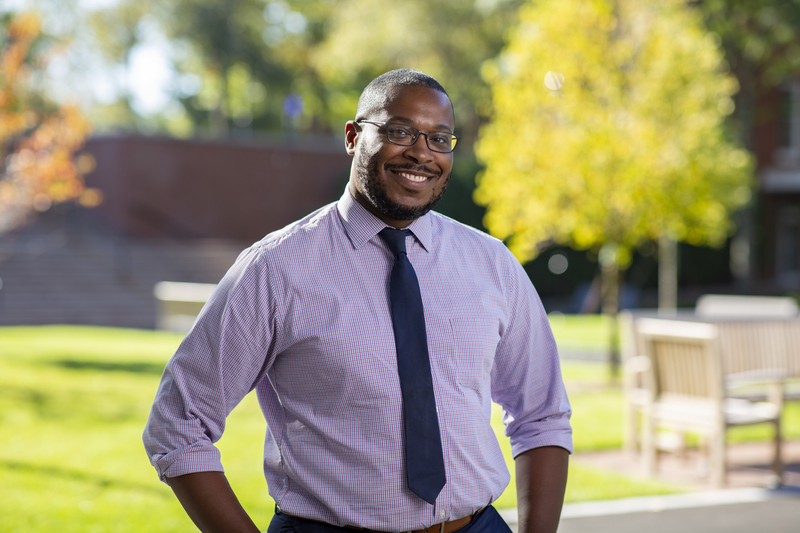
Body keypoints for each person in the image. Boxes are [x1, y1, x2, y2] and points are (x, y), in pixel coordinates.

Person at [143, 69, 572, 533]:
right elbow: (179, 423)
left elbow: (541, 414)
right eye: (400, 131)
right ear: (353, 136)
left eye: (439, 138)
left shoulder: (492, 264)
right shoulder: (276, 268)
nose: (421, 153)